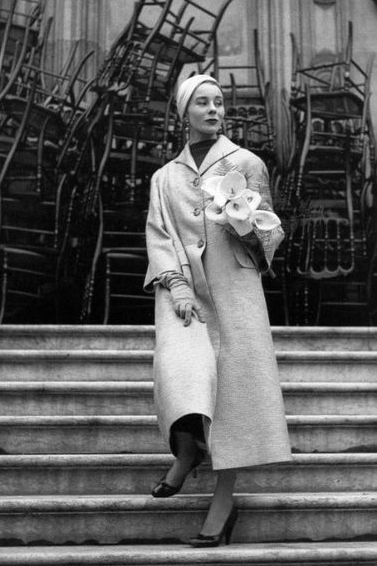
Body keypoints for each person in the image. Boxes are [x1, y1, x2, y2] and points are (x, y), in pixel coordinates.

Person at [144, 73, 292, 548]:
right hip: (182, 292)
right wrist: (176, 286)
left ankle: (224, 502)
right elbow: (159, 235)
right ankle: (187, 452)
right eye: (202, 103)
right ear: (183, 113)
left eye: (219, 102)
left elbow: (272, 233)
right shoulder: (164, 176)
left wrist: (246, 224)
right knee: (180, 372)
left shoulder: (247, 162)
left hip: (233, 286)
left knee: (232, 394)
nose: (213, 110)